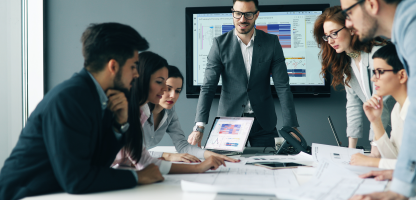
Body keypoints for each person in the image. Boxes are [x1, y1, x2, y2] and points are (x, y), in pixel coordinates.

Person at [0, 22, 164, 200]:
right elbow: (76, 179)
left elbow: (97, 165)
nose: (136, 74)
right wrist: (137, 177)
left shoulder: (102, 97)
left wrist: (120, 124)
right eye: (133, 66)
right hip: (22, 195)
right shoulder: (70, 99)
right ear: (113, 66)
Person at [188, 0, 300, 148]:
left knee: (270, 167)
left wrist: (291, 126)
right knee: (223, 168)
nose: (242, 19)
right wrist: (199, 126)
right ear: (232, 13)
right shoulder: (219, 44)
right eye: (238, 14)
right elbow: (208, 87)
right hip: (229, 123)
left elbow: (283, 87)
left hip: (263, 123)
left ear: (256, 15)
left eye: (248, 14)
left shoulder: (271, 42)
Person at [339, 0, 416, 199]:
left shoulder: (412, 28)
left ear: (372, 4)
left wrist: (399, 188)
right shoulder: (403, 35)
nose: (347, 23)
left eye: (348, 13)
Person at [112, 51, 227, 174]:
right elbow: (142, 160)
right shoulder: (128, 109)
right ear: (142, 78)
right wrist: (195, 167)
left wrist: (209, 155)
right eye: (160, 83)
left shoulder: (162, 111)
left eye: (177, 91)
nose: (169, 93)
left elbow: (140, 158)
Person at [313, 6, 394, 150]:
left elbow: (380, 103)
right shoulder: (349, 63)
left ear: (351, 28)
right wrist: (351, 151)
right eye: (327, 36)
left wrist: (374, 148)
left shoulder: (378, 53)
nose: (330, 41)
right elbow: (353, 106)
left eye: (334, 33)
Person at [142, 65, 240, 163]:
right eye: (168, 89)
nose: (173, 95)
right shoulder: (139, 110)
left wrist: (212, 155)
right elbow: (131, 151)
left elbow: (183, 146)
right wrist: (167, 156)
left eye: (177, 91)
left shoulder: (170, 112)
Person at [350, 44, 408, 169]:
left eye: (380, 72)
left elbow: (411, 167)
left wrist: (372, 162)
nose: (373, 79)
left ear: (402, 75)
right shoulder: (397, 110)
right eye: (374, 72)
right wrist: (376, 122)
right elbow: (393, 158)